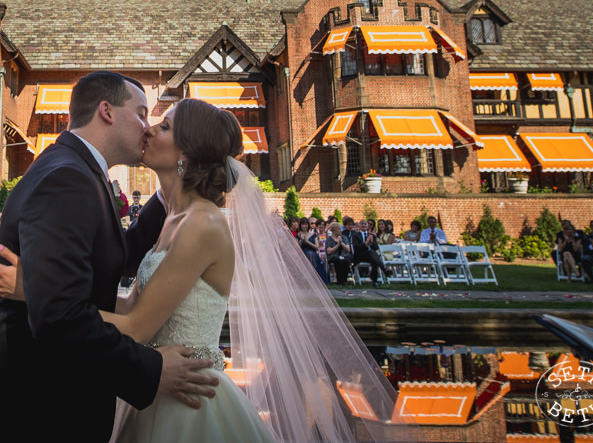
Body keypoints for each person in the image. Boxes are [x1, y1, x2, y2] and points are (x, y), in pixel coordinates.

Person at [102, 99, 409, 441]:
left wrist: (48, 300)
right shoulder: (174, 218)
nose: (149, 129)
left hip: (189, 404)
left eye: (165, 126)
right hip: (161, 388)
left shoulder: (203, 224)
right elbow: (131, 307)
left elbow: (136, 327)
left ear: (185, 154)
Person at [0, 72, 216, 442]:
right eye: (141, 114)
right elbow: (59, 319)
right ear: (107, 111)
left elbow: (115, 257)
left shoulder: (79, 169)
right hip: (29, 410)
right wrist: (152, 371)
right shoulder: (68, 178)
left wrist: (171, 188)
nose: (147, 128)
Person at [325, 221, 353, 286]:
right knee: (337, 260)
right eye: (339, 229)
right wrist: (337, 245)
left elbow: (348, 249)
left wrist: (341, 243)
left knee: (346, 260)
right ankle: (339, 280)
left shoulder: (344, 238)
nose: (341, 230)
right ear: (334, 230)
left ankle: (344, 280)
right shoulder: (329, 239)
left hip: (344, 255)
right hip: (334, 256)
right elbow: (329, 251)